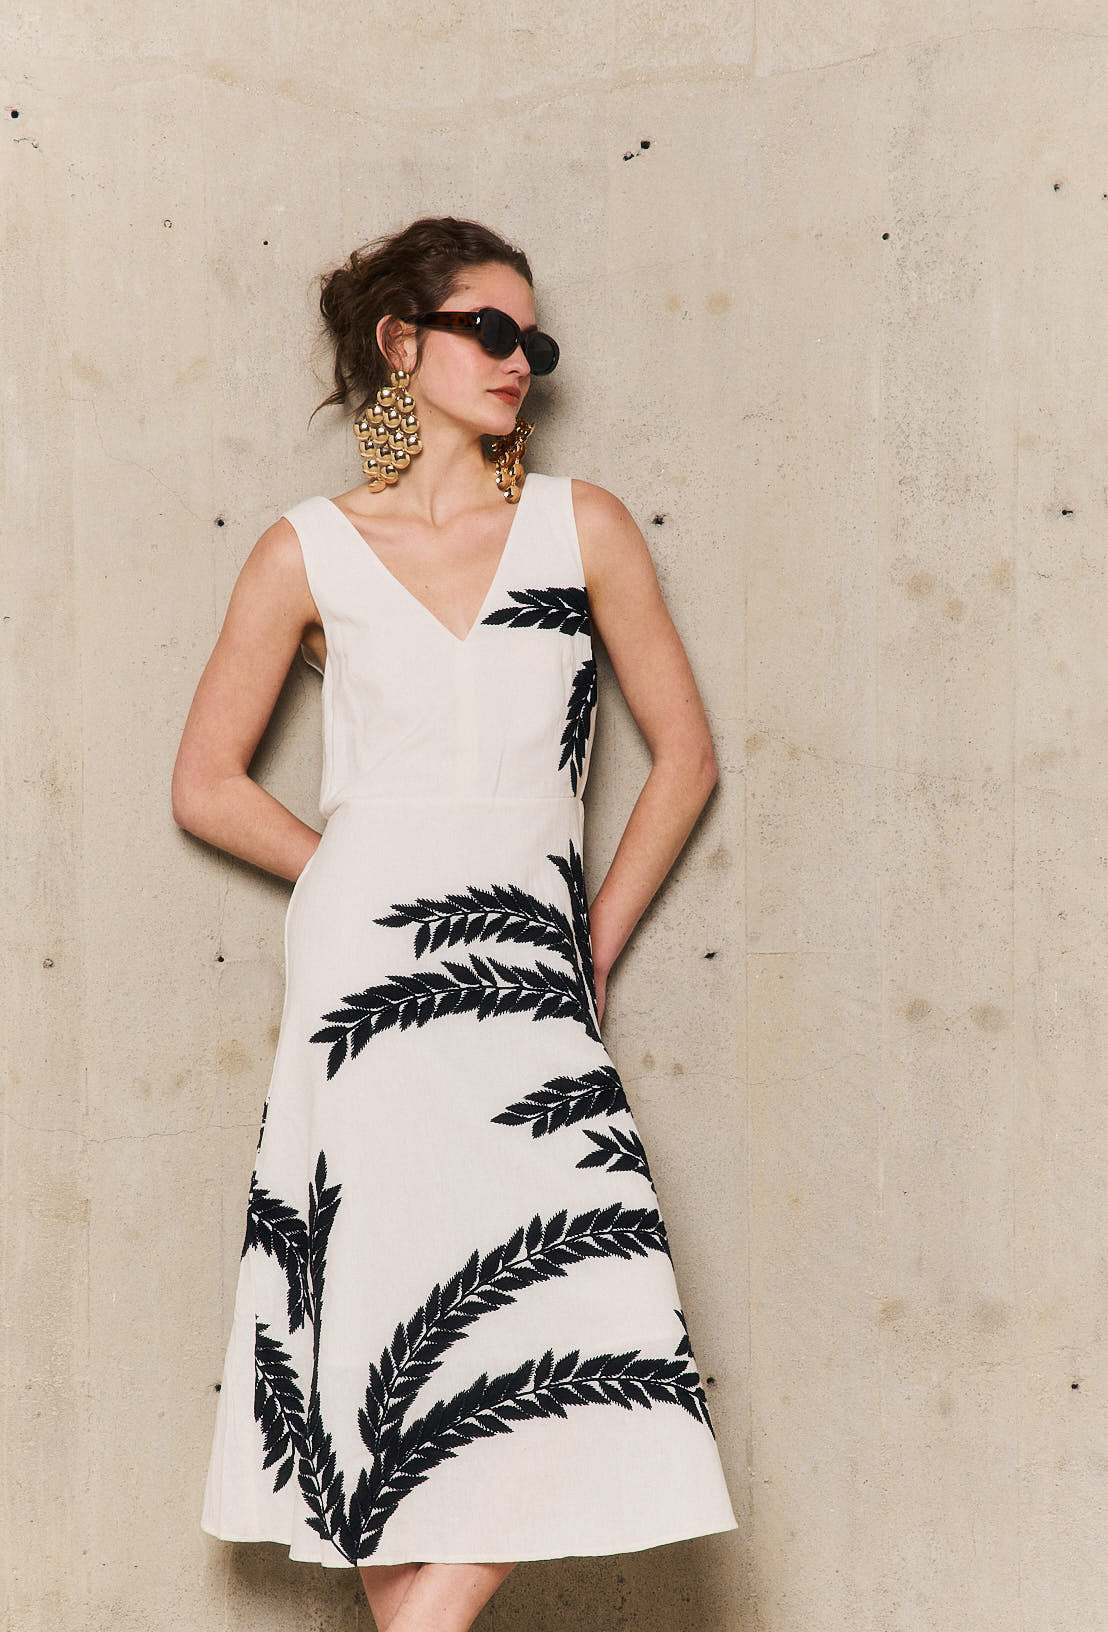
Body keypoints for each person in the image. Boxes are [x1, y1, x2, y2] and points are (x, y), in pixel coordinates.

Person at [172, 216, 738, 1632]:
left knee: (581, 1301)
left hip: (528, 968)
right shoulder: (308, 550)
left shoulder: (580, 526)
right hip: (363, 979)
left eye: (531, 338)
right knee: (377, 1334)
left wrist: (589, 939)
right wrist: (361, 876)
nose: (518, 358)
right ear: (400, 344)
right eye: (489, 328)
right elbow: (205, 785)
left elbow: (685, 758)